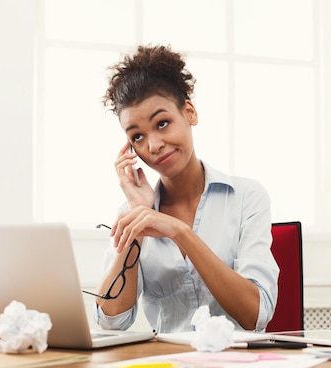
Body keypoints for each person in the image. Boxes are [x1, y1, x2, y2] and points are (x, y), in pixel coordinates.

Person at [87, 45, 279, 334]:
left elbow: (256, 315)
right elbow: (111, 320)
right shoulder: (134, 214)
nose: (152, 146)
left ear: (189, 112)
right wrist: (138, 218)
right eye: (137, 136)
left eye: (162, 123)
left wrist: (181, 232)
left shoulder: (246, 197)